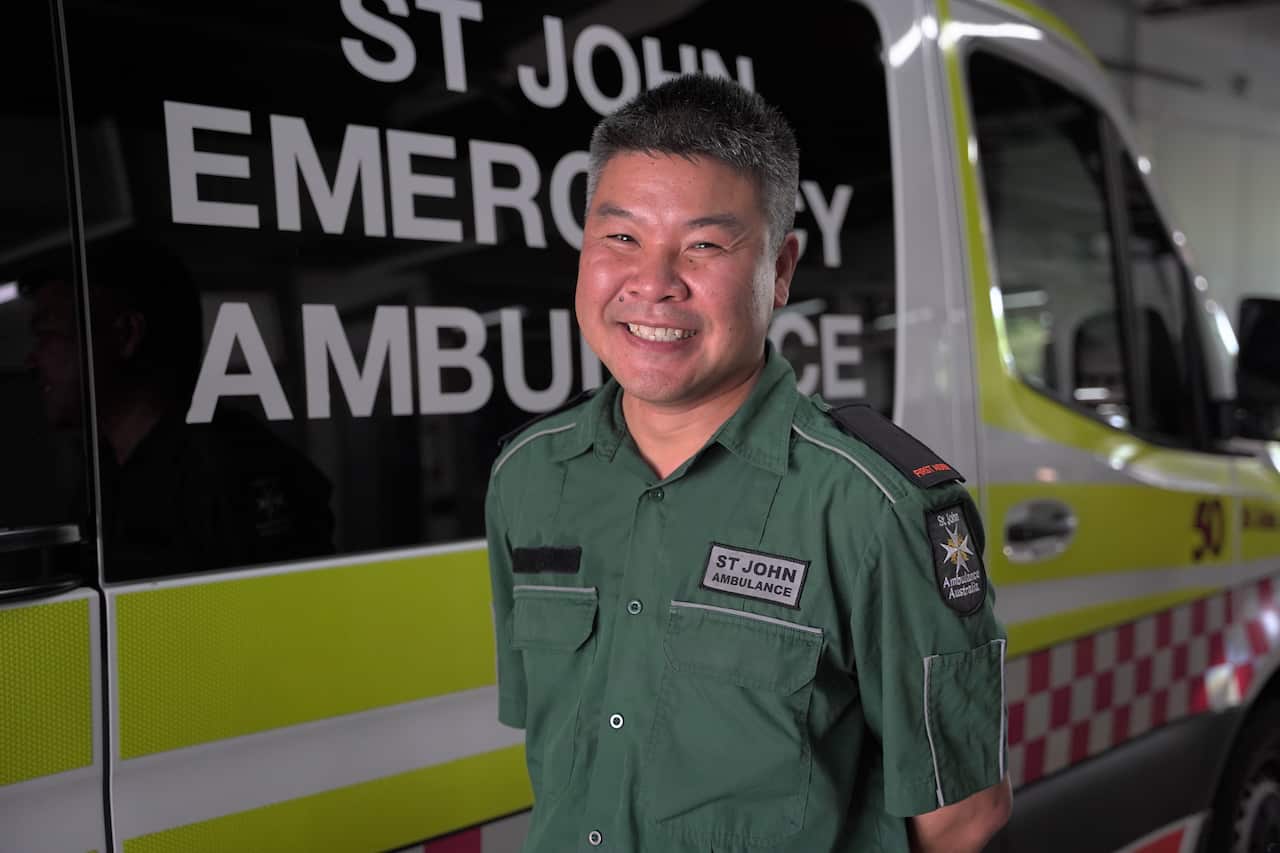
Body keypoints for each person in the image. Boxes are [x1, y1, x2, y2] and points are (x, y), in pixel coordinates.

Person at [485, 74, 1011, 852]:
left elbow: (963, 816)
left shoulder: (874, 507)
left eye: (703, 245)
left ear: (781, 268)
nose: (653, 285)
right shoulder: (528, 478)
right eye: (620, 237)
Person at [23, 235, 334, 580]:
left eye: (48, 334)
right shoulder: (105, 474)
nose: (33, 360)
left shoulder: (228, 471)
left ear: (127, 335)